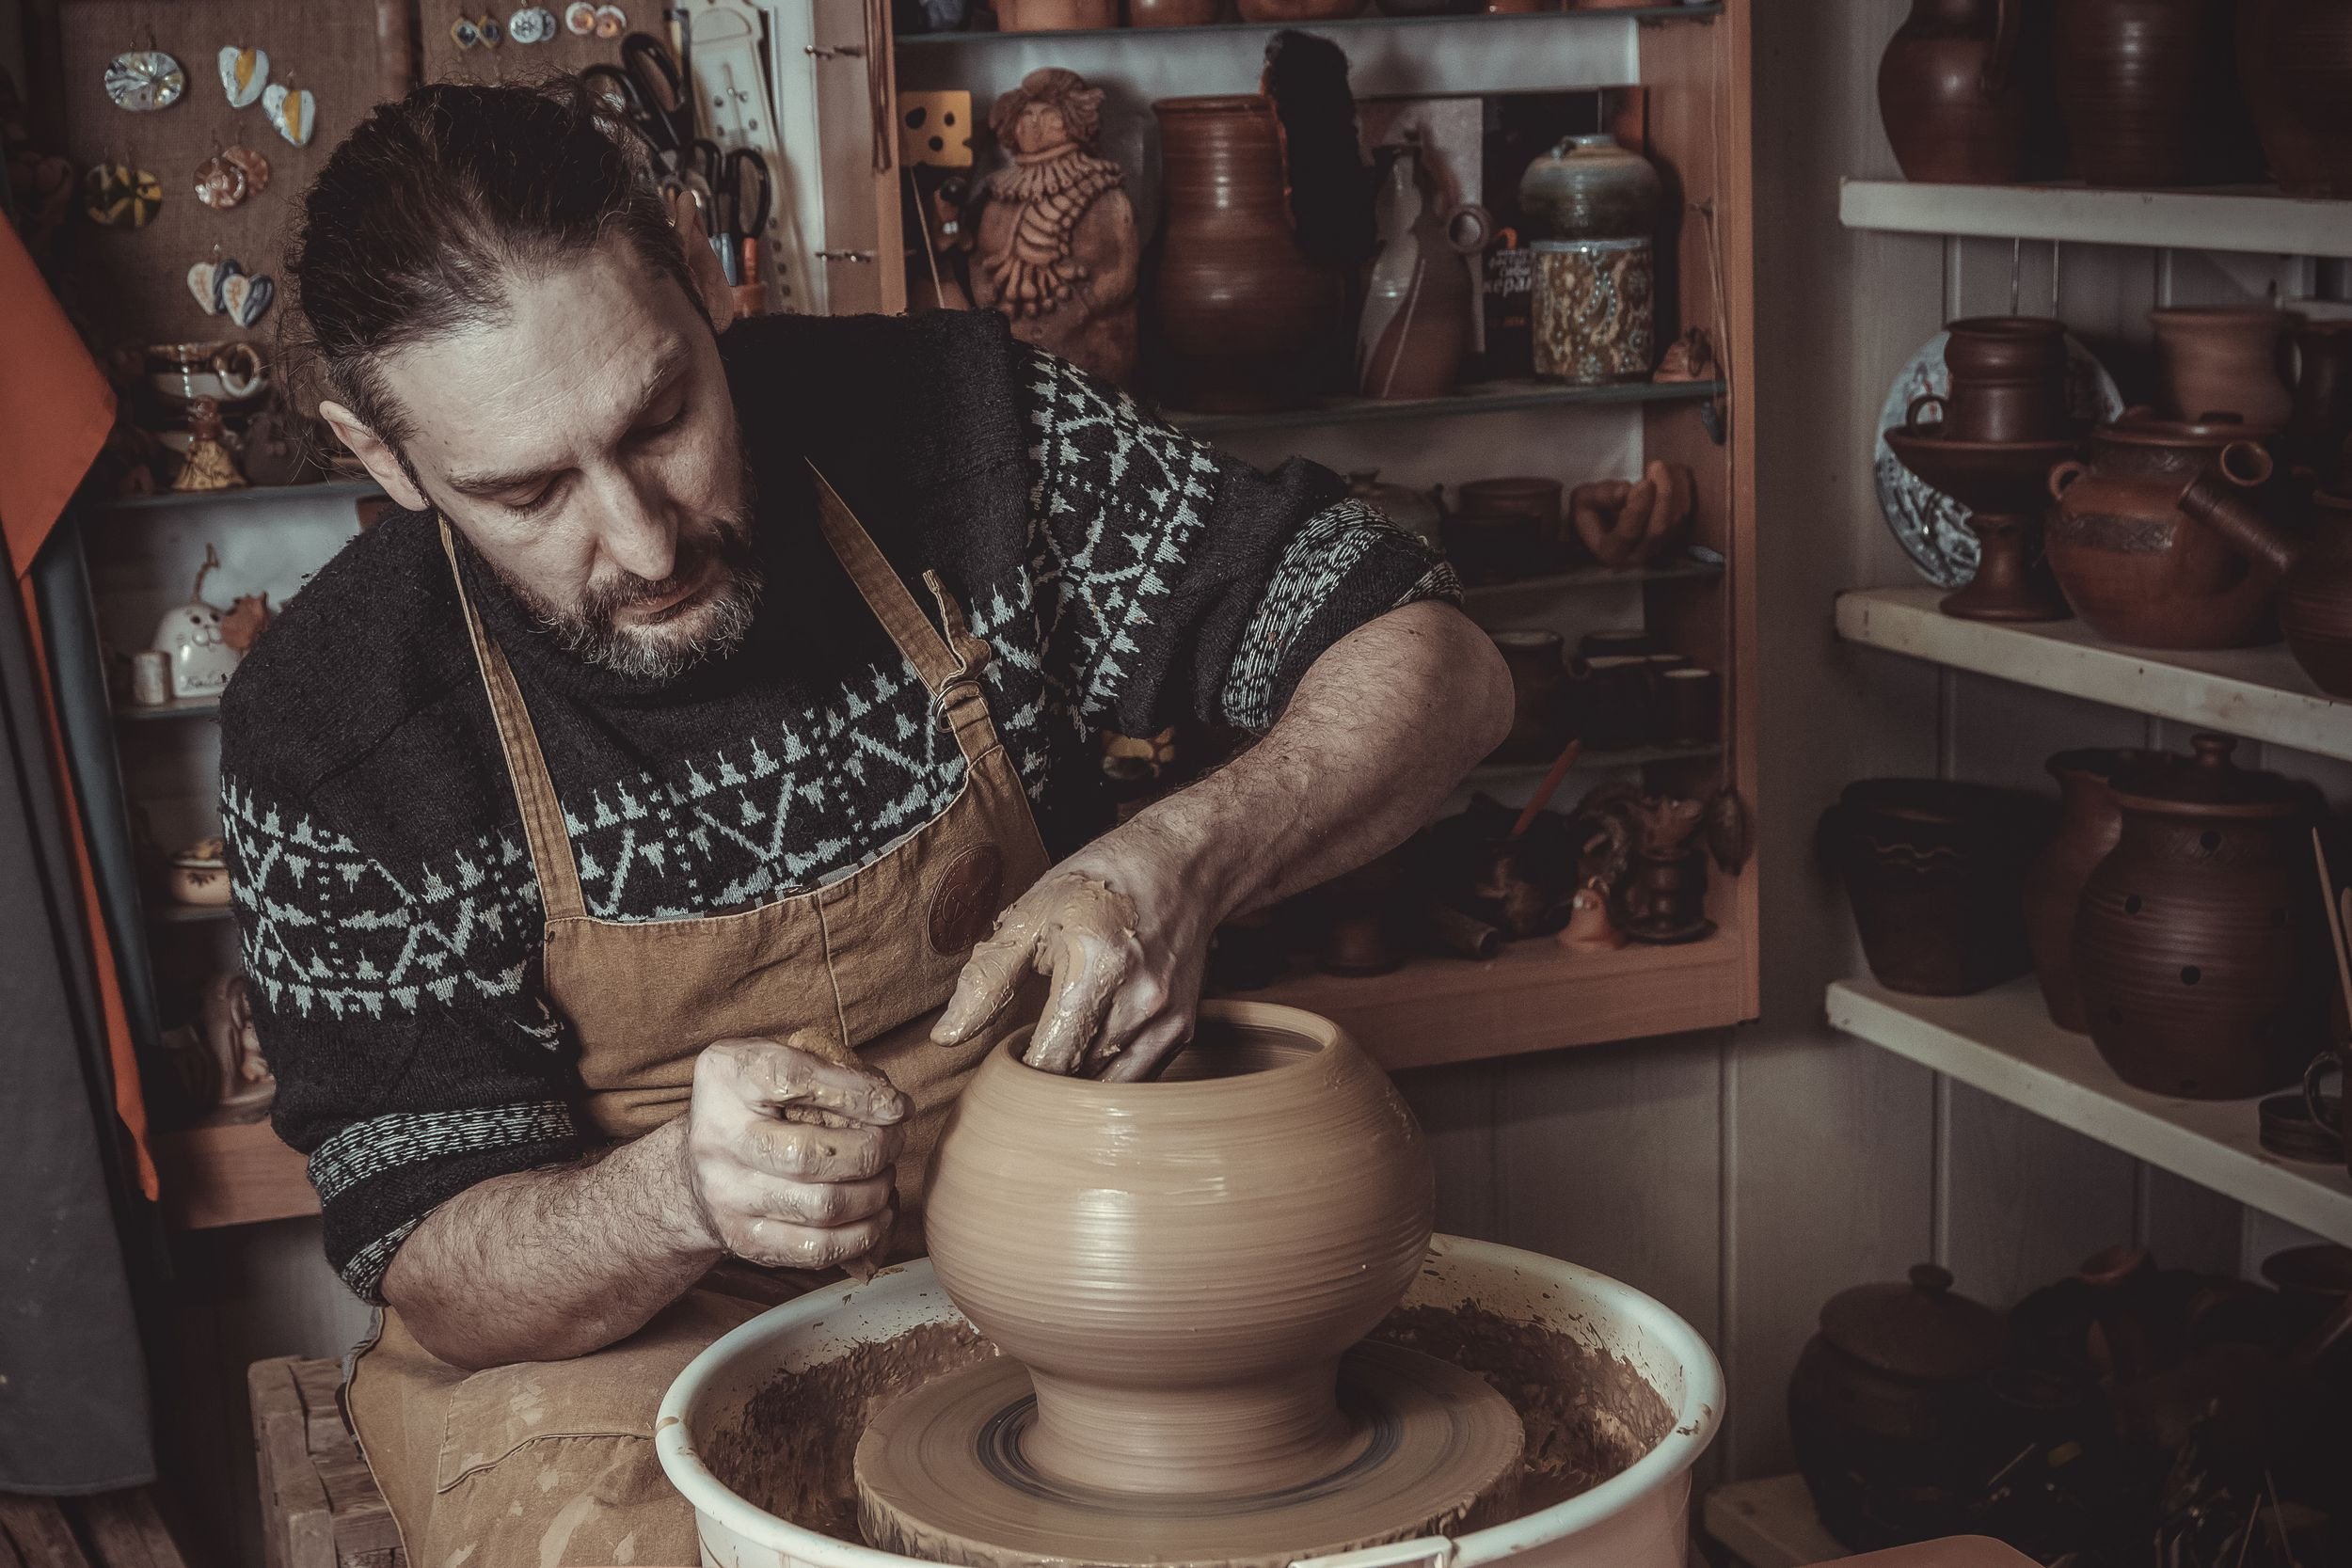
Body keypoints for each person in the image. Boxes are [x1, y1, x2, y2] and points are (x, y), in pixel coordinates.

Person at [219, 76, 1511, 1565]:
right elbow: (438, 1258)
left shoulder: (966, 433)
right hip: (621, 1357)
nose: (640, 539)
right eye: (524, 493)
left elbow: (1437, 665)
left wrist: (1184, 860)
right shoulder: (338, 725)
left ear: (705, 285)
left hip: (1057, 1263)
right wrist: (677, 1195)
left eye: (661, 418)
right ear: (383, 461)